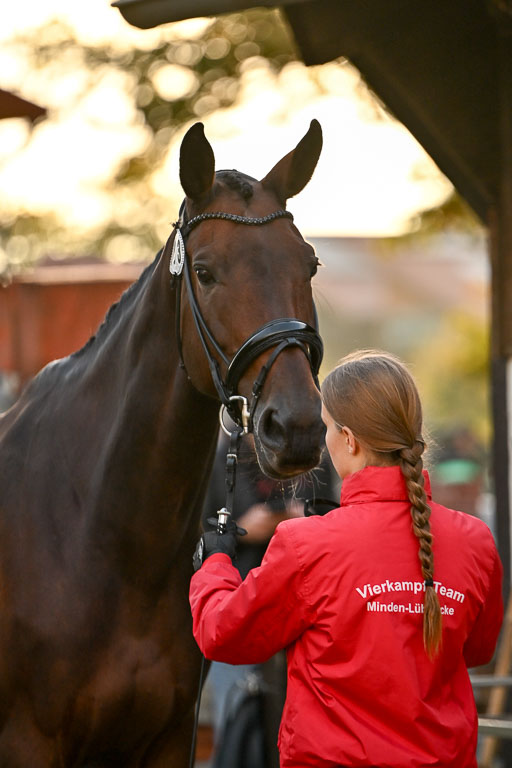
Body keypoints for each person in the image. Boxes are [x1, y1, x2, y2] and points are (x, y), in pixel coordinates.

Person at [190, 350, 503, 768]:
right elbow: (477, 649)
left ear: (349, 439)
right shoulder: (476, 540)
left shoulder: (307, 544)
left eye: (327, 428)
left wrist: (215, 562)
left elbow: (223, 634)